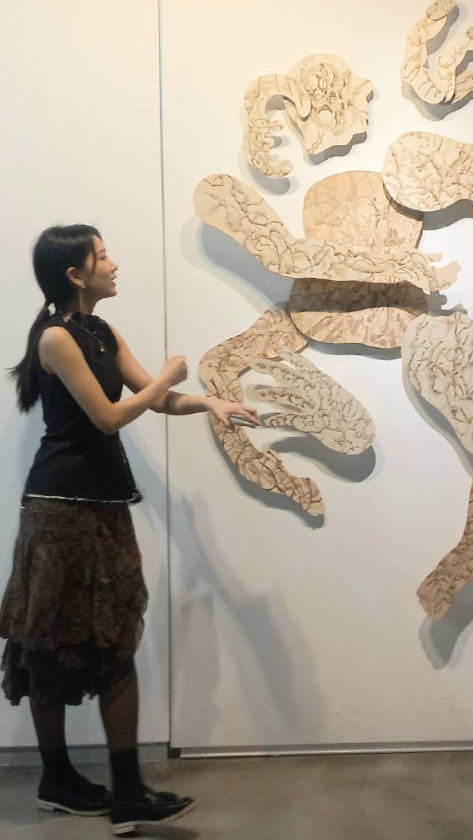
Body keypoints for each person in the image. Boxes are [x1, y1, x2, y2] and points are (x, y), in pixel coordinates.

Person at [0, 225, 258, 835]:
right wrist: (168, 375)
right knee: (49, 643)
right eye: (102, 255)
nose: (113, 264)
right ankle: (60, 779)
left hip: (103, 505)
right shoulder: (56, 338)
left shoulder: (103, 332)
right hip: (58, 511)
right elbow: (110, 416)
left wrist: (207, 402)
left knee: (114, 640)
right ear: (75, 274)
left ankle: (127, 790)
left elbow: (155, 399)